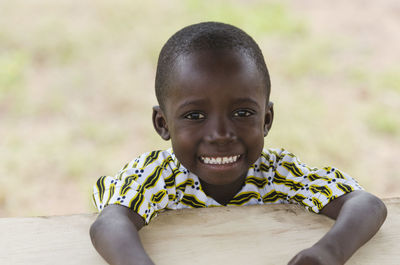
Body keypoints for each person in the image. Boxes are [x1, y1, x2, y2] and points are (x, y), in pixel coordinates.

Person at [89, 22, 387, 265]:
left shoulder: (277, 173)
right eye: (195, 115)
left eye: (242, 113)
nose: (220, 134)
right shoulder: (155, 176)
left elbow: (365, 204)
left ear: (267, 119)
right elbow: (109, 223)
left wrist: (326, 254)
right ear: (162, 124)